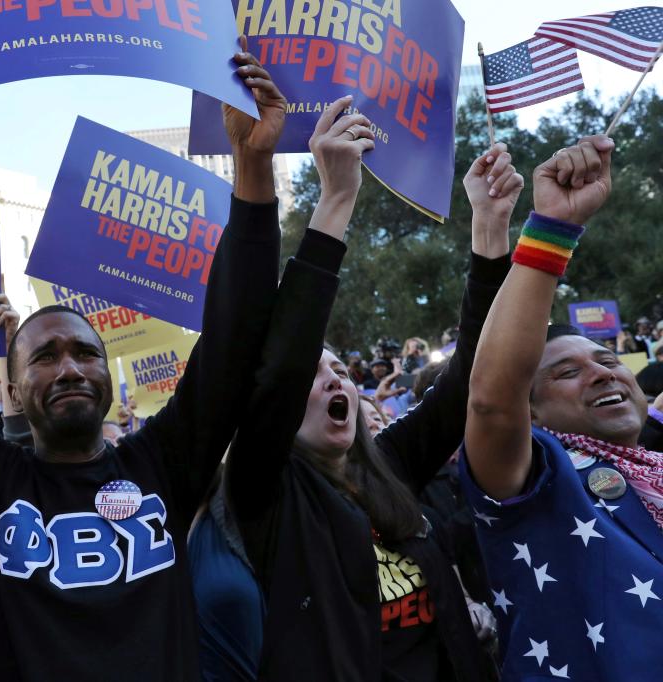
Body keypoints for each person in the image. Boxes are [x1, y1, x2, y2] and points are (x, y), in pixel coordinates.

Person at [0, 28, 286, 680]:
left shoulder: (165, 465)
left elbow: (235, 341)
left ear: (110, 376)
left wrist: (253, 169)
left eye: (86, 352)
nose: (69, 367)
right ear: (15, 384)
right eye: (45, 356)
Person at [190, 100, 521, 681]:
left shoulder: (388, 464)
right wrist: (335, 201)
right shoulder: (262, 488)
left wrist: (490, 231)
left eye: (339, 368)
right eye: (313, 375)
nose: (335, 378)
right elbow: (280, 368)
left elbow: (474, 372)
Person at [460, 135, 663, 679]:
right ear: (534, 415)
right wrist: (552, 228)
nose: (603, 372)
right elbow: (492, 401)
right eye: (568, 373)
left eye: (609, 361)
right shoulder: (537, 475)